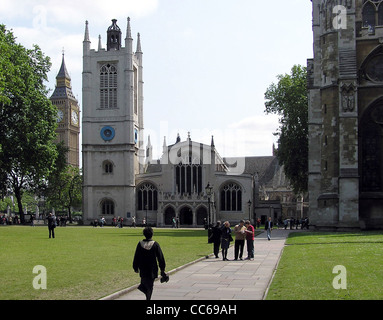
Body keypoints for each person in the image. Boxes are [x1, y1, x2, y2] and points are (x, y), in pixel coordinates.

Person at [133, 227, 167, 300]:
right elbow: (160, 257)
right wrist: (162, 269)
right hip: (152, 268)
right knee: (150, 285)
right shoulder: (155, 244)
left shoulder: (140, 244)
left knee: (145, 282)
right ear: (152, 234)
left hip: (143, 267)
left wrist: (135, 267)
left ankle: (146, 293)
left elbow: (136, 256)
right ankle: (148, 298)